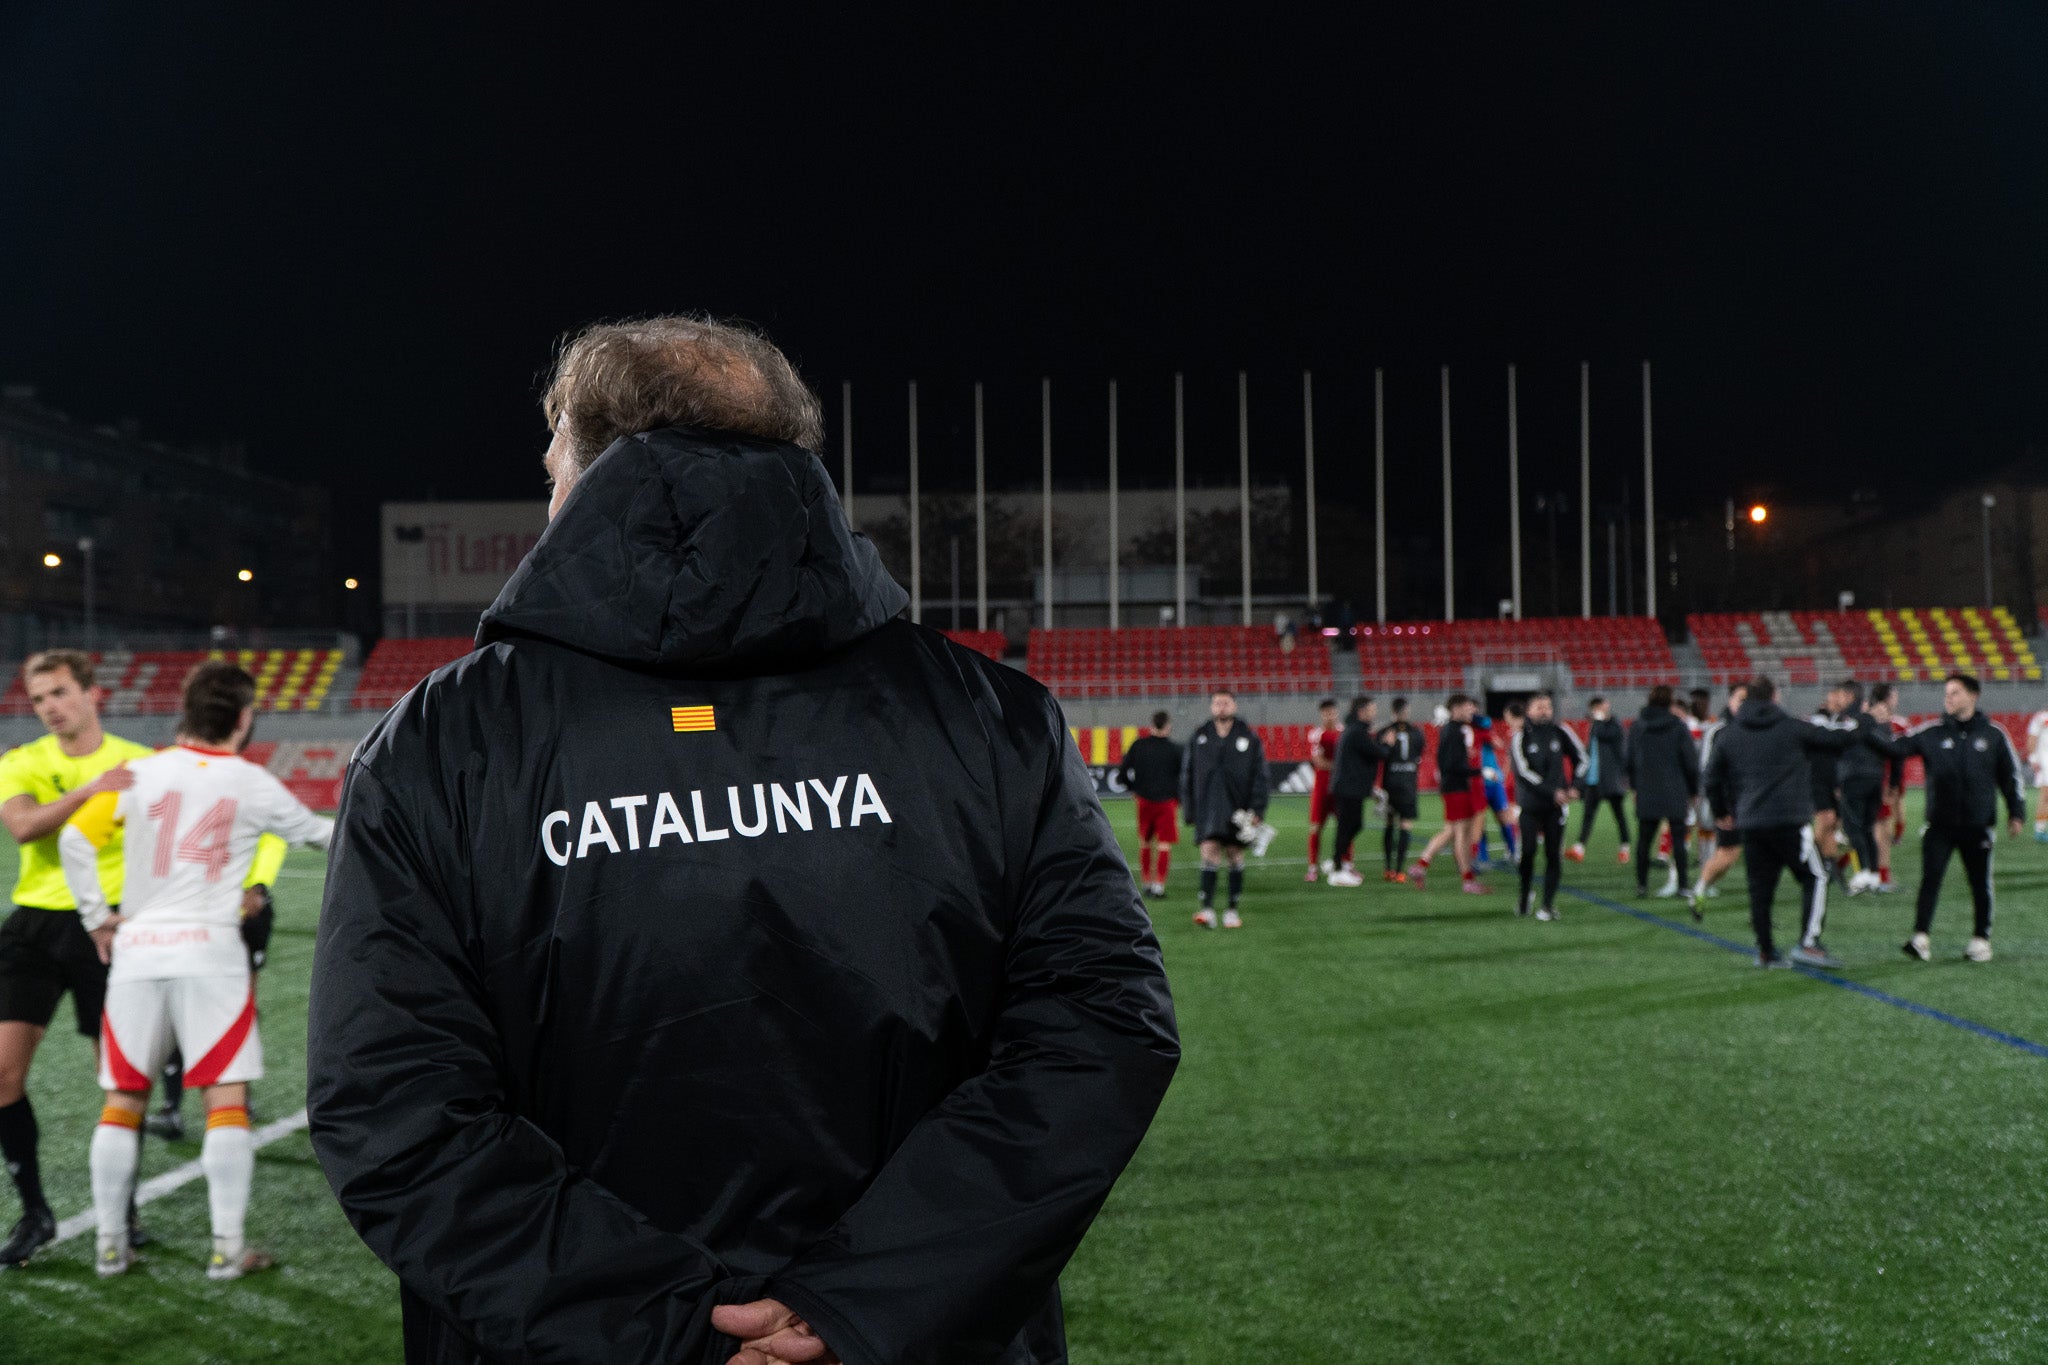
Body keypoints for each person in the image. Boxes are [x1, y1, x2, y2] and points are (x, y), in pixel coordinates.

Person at [307, 316, 1178, 1365]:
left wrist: (667, 1331)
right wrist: (859, 1304)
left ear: (582, 466)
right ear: (793, 456)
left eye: (548, 470)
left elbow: (395, 1105)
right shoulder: (990, 714)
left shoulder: (438, 743)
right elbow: (1099, 1029)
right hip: (921, 1337)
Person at [60, 662, 333, 1280]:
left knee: (122, 1101)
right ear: (243, 717)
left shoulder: (140, 773)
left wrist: (98, 919)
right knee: (225, 1102)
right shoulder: (252, 783)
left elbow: (77, 842)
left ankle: (108, 1246)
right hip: (211, 951)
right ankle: (227, 1250)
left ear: (184, 711)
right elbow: (322, 835)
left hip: (138, 949)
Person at [0, 651, 149, 1268]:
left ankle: (125, 1206)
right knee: (2, 1076)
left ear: (92, 693)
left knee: (116, 1077)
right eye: (39, 699)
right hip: (34, 925)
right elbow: (25, 827)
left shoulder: (140, 763)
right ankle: (34, 1211)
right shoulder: (22, 761)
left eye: (60, 692)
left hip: (109, 927)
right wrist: (93, 789)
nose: (50, 707)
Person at [1863, 673, 2025, 963]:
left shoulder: (1994, 734)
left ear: (1973, 696)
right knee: (1931, 880)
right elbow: (1894, 748)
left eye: (1955, 693)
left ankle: (1980, 940)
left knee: (1980, 883)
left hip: (1978, 825)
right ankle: (1920, 938)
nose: (1948, 698)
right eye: (1947, 693)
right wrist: (1871, 726)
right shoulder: (1932, 732)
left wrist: (2016, 811)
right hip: (1939, 825)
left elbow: (2010, 777)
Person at [1703, 676, 1859, 969]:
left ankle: (1766, 952)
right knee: (1816, 877)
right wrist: (1863, 722)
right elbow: (1839, 739)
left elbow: (1711, 778)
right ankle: (1809, 943)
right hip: (1789, 821)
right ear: (1774, 697)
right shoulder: (1793, 728)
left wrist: (1722, 811)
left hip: (1750, 823)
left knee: (1760, 888)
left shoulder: (1730, 734)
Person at [1184, 689, 1270, 927]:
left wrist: (1258, 810)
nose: (1221, 706)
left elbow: (1260, 776)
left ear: (1234, 705)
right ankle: (1207, 909)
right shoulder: (1199, 737)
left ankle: (1232, 910)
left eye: (1226, 702)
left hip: (1238, 808)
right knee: (1209, 851)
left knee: (1234, 854)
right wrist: (1189, 810)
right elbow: (1187, 775)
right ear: (1212, 707)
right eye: (1217, 703)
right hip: (1207, 808)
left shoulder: (1249, 739)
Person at [1510, 692, 1588, 922]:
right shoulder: (1520, 736)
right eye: (1539, 706)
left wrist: (1576, 787)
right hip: (1531, 805)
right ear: (1528, 710)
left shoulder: (1561, 731)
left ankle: (1547, 905)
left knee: (1554, 855)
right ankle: (1525, 896)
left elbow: (1582, 759)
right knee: (1528, 853)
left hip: (1557, 807)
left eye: (1547, 706)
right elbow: (1522, 772)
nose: (1544, 710)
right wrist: (1552, 792)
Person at [1407, 693, 1489, 894]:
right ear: (1456, 709)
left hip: (1454, 786)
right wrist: (1479, 772)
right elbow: (1453, 765)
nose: (1472, 711)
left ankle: (1421, 865)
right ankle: (1467, 880)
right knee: (1461, 834)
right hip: (1457, 787)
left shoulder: (1452, 730)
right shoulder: (1454, 731)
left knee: (1453, 831)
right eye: (1468, 707)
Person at [1627, 686, 1699, 905]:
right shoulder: (1678, 726)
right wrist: (1693, 790)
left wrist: (1634, 787)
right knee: (1678, 840)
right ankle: (1683, 885)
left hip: (1647, 789)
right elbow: (1690, 762)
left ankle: (1641, 884)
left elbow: (1629, 759)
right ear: (1670, 703)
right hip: (1675, 789)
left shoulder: (1638, 726)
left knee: (1644, 840)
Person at [1690, 682, 1748, 916]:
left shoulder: (1757, 729)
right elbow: (1707, 771)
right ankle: (1700, 888)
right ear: (1729, 701)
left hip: (1756, 802)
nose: (1744, 705)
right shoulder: (1718, 731)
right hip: (1729, 804)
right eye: (1739, 699)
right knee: (1728, 854)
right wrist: (1718, 807)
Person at [1835, 683, 1893, 896]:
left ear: (1849, 695)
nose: (1837, 698)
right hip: (1875, 779)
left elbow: (1838, 748)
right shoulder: (1881, 721)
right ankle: (1874, 875)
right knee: (1868, 827)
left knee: (1853, 828)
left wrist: (1836, 781)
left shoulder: (1848, 719)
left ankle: (1863, 875)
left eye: (1840, 694)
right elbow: (1890, 749)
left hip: (1853, 778)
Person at [1324, 695, 1387, 888]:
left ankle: (1337, 861)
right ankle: (1336, 870)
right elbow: (1380, 753)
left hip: (1349, 788)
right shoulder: (1357, 733)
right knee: (1348, 826)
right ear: (1361, 712)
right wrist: (1387, 743)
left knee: (1352, 826)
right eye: (1371, 709)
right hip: (1349, 789)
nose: (1374, 713)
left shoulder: (1353, 731)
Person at [1118, 712, 1182, 898]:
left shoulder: (1139, 745)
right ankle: (1158, 886)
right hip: (1166, 803)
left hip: (1144, 801)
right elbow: (1184, 778)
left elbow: (1122, 774)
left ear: (1151, 725)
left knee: (1145, 842)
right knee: (1164, 845)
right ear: (1168, 726)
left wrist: (1135, 789)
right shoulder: (1175, 749)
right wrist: (1179, 797)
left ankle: (1146, 883)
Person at [1569, 696, 1630, 864]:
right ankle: (1579, 848)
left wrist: (1599, 721)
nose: (1597, 711)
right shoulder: (1595, 726)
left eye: (1599, 707)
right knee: (1588, 815)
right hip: (1593, 779)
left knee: (1619, 816)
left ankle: (1625, 847)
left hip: (1610, 779)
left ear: (1606, 705)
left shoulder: (1614, 724)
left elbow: (1607, 736)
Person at [1807, 680, 1857, 878]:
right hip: (1817, 778)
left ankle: (1829, 864)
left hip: (1836, 779)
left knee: (1835, 823)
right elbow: (1831, 737)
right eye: (1835, 695)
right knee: (1826, 820)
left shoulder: (1844, 718)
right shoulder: (1820, 717)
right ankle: (1812, 856)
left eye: (1842, 695)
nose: (1838, 699)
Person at [1376, 698, 1424, 882]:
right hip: (1408, 784)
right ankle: (1400, 871)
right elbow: (1419, 754)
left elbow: (1379, 754)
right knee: (1405, 824)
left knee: (1389, 823)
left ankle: (1388, 869)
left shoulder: (1384, 731)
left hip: (1390, 783)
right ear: (1407, 711)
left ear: (1393, 712)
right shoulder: (1417, 733)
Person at [1304, 698, 1340, 881]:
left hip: (1340, 789)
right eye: (1325, 713)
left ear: (1336, 713)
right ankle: (1312, 868)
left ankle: (1346, 865)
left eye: (1331, 712)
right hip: (1321, 788)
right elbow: (1319, 762)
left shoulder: (1344, 733)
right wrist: (1340, 766)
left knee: (1344, 828)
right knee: (1315, 828)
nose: (1329, 716)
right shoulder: (1316, 734)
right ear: (1321, 715)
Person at [2028, 707, 2048, 841]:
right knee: (2045, 795)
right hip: (2045, 762)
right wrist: (2033, 758)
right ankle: (2040, 830)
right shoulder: (2041, 717)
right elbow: (2032, 738)